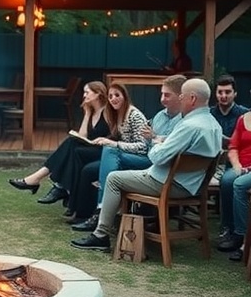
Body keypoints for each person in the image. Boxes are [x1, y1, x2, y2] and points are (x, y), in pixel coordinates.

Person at [71, 77, 222, 252]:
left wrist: (156, 142)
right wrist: (163, 140)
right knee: (112, 160)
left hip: (167, 183)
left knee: (113, 178)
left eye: (182, 96)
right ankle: (112, 223)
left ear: (192, 99)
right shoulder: (214, 125)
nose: (180, 99)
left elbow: (157, 157)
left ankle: (100, 234)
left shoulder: (188, 126)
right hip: (192, 185)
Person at [70, 75, 185, 232]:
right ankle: (79, 209)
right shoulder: (154, 116)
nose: (113, 99)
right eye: (110, 96)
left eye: (117, 95)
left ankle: (101, 211)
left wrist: (116, 144)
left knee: (109, 151)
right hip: (143, 156)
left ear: (125, 96)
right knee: (83, 159)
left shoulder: (135, 115)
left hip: (149, 161)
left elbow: (144, 147)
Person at [8, 81, 111, 201]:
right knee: (72, 145)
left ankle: (41, 181)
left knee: (71, 144)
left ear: (98, 94)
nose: (84, 95)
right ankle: (58, 187)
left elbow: (114, 134)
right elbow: (82, 136)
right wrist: (87, 114)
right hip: (89, 149)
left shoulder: (107, 113)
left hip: (104, 150)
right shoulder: (91, 112)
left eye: (87, 92)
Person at [216, 108, 251, 260]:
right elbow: (233, 147)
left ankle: (242, 235)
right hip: (241, 165)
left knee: (239, 184)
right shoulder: (243, 119)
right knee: (227, 180)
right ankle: (228, 228)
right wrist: (237, 166)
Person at [210, 74, 248, 150]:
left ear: (235, 93)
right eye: (220, 92)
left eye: (227, 92)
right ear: (215, 94)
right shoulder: (209, 114)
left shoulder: (245, 114)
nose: (223, 96)